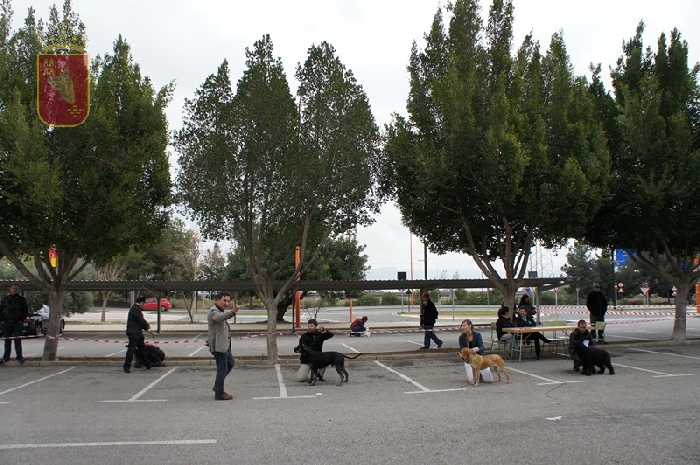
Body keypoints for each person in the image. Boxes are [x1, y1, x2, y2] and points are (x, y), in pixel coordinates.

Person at [207, 291, 238, 400]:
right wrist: (232, 312)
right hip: (219, 347)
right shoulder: (213, 311)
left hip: (225, 345)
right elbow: (219, 318)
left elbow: (215, 329)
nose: (226, 303)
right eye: (224, 300)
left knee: (230, 363)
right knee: (222, 369)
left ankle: (217, 386)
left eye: (228, 301)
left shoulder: (220, 311)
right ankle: (219, 393)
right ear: (218, 300)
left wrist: (210, 338)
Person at [123, 295, 154, 373]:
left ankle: (148, 364)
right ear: (142, 302)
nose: (144, 305)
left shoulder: (135, 309)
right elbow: (140, 320)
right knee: (131, 349)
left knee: (143, 348)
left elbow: (140, 320)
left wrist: (146, 327)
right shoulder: (135, 309)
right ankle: (127, 366)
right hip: (134, 333)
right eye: (144, 303)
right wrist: (147, 326)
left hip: (137, 333)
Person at [458, 319, 494, 384]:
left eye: (464, 326)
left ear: (470, 326)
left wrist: (477, 349)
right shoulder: (461, 337)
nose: (462, 327)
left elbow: (482, 347)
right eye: (462, 326)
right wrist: (467, 352)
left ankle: (480, 374)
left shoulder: (477, 335)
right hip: (469, 361)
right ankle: (477, 375)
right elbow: (462, 349)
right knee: (471, 380)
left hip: (479, 360)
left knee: (489, 380)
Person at [1, 283, 29, 364]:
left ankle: (19, 357)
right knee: (7, 341)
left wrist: (21, 320)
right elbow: (0, 309)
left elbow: (25, 311)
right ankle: (6, 357)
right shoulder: (5, 299)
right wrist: (2, 320)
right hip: (6, 323)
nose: (15, 290)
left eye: (16, 288)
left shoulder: (22, 299)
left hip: (17, 323)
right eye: (13, 288)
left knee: (17, 340)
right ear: (10, 289)